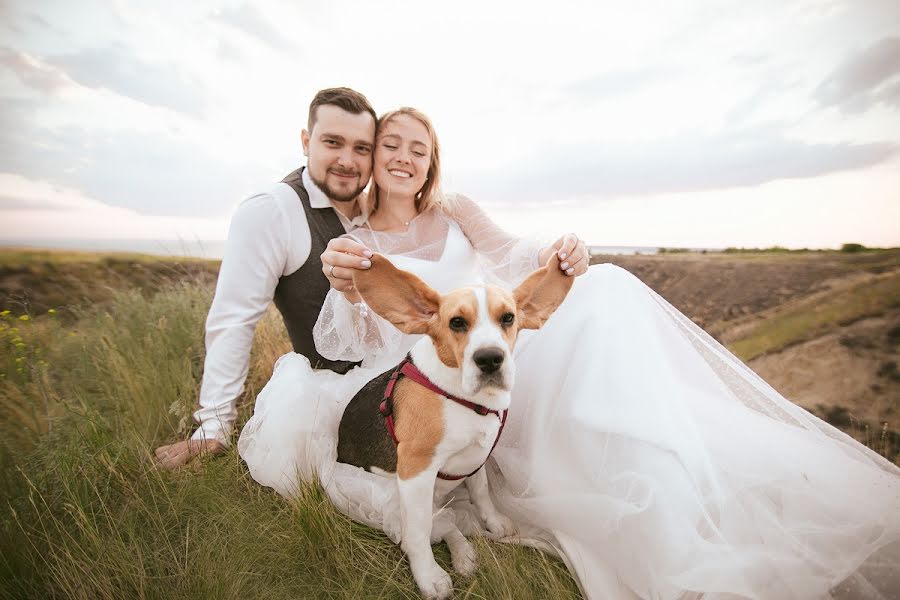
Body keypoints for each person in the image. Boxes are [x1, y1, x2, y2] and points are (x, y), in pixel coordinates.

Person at [238, 106, 900, 599]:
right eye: (392, 145)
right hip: (418, 367)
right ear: (375, 154)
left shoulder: (455, 206)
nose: (405, 156)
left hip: (491, 346)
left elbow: (512, 255)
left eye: (420, 147)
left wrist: (563, 251)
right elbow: (344, 340)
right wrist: (345, 283)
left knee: (605, 288)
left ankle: (652, 479)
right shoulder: (355, 233)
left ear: (432, 159)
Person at [154, 87, 378, 468]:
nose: (347, 160)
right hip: (342, 399)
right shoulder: (274, 210)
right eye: (332, 142)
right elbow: (234, 318)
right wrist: (213, 424)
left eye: (361, 148)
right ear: (306, 142)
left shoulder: (381, 210)